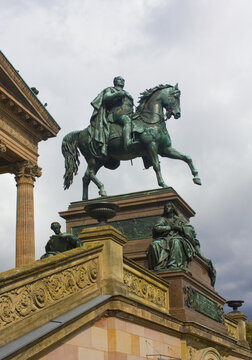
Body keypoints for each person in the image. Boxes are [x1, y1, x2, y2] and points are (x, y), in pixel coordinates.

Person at [89, 76, 136, 157]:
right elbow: (106, 97)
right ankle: (128, 142)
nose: (121, 81)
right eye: (119, 79)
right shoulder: (110, 89)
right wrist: (117, 94)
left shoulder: (126, 93)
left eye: (123, 80)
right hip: (116, 113)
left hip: (130, 113)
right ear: (115, 81)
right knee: (126, 120)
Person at [147, 202, 196, 273]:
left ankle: (173, 265)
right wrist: (170, 227)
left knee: (175, 242)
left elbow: (190, 229)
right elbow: (157, 228)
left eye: (169, 206)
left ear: (173, 208)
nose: (167, 208)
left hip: (178, 238)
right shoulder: (163, 219)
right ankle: (158, 267)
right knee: (154, 245)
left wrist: (180, 228)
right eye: (166, 207)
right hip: (165, 239)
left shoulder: (180, 219)